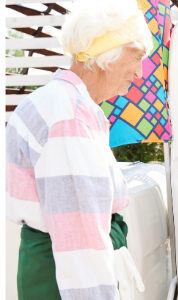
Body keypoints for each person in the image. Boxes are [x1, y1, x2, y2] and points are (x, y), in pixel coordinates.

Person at [5, 1, 151, 299]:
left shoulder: (65, 103)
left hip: (56, 266)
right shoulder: (68, 116)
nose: (139, 72)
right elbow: (79, 236)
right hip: (63, 275)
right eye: (136, 58)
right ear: (106, 55)